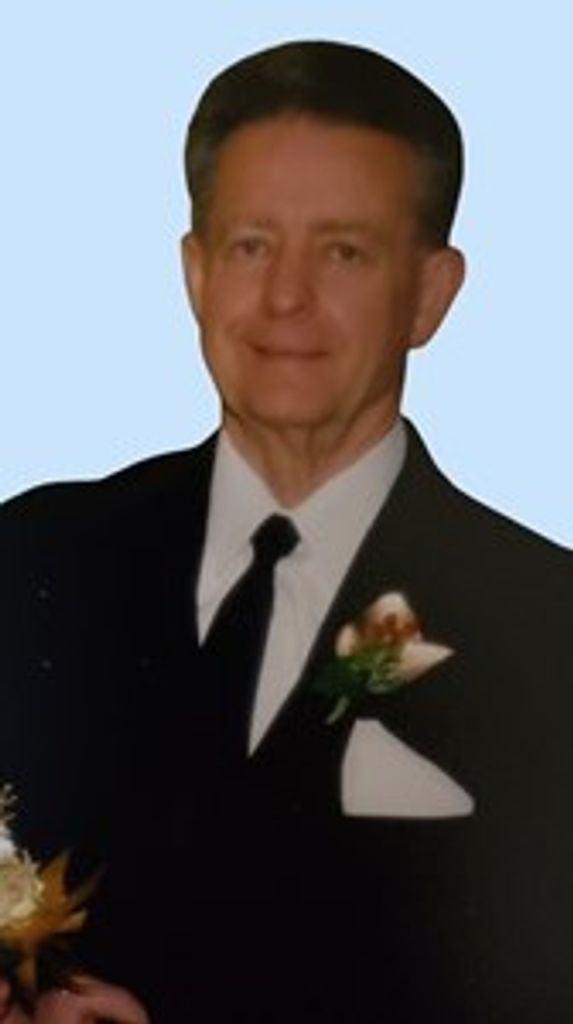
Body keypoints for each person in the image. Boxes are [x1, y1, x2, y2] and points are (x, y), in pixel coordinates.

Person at [2, 39, 572, 1023]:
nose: (285, 298)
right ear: (195, 272)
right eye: (251, 245)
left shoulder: (545, 622)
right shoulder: (33, 556)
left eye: (343, 251)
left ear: (431, 293)